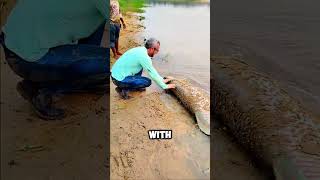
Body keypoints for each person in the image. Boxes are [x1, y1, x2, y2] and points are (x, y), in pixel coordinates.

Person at [0, 0, 109, 120]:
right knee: (108, 62)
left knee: (100, 17)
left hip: (12, 41)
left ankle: (83, 77)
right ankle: (42, 90)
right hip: (27, 58)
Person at [111, 38, 175, 99]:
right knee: (147, 82)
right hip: (119, 79)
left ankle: (129, 86)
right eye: (157, 50)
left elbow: (151, 69)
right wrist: (164, 86)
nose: (157, 52)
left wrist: (162, 80)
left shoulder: (141, 50)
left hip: (115, 76)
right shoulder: (144, 57)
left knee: (140, 67)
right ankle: (123, 89)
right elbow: (151, 73)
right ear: (152, 49)